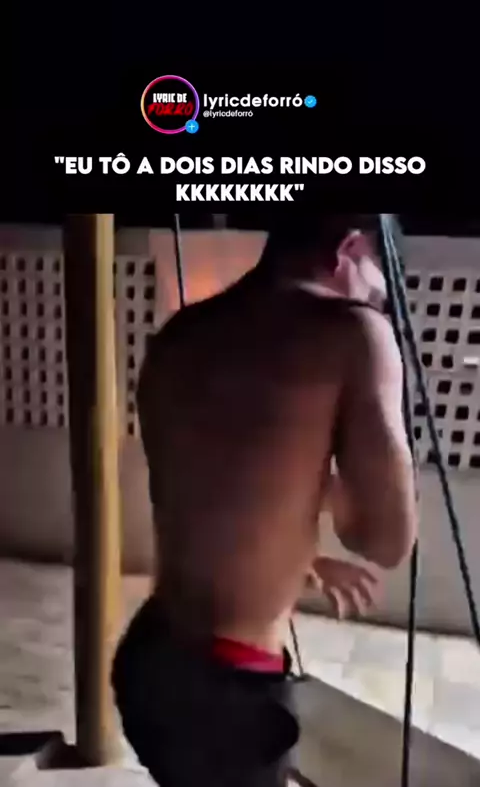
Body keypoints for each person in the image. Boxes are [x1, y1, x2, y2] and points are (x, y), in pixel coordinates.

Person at [112, 214, 417, 787]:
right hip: (226, 694)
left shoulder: (180, 334)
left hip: (151, 658)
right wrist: (333, 485)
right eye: (377, 288)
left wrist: (302, 555)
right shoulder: (353, 331)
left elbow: (219, 491)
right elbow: (386, 539)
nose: (375, 303)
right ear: (348, 249)